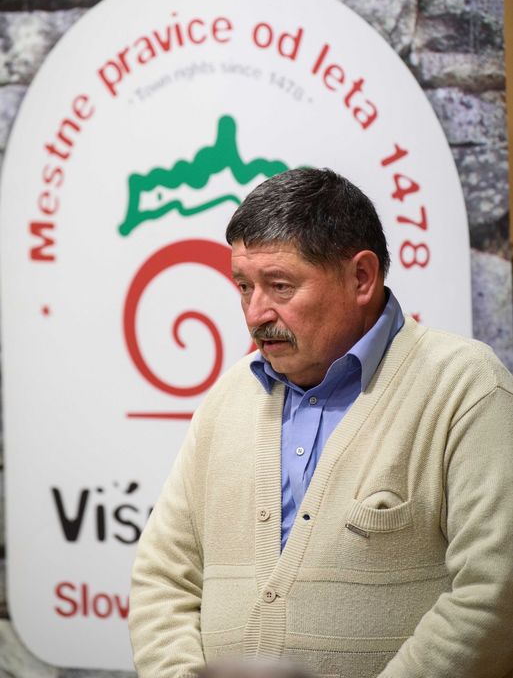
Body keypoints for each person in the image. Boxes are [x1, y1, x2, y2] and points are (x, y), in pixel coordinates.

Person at [129, 168, 513, 678]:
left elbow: (493, 591)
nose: (255, 314)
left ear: (361, 278)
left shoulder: (464, 387)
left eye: (280, 286)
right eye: (244, 287)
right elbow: (162, 579)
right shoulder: (226, 399)